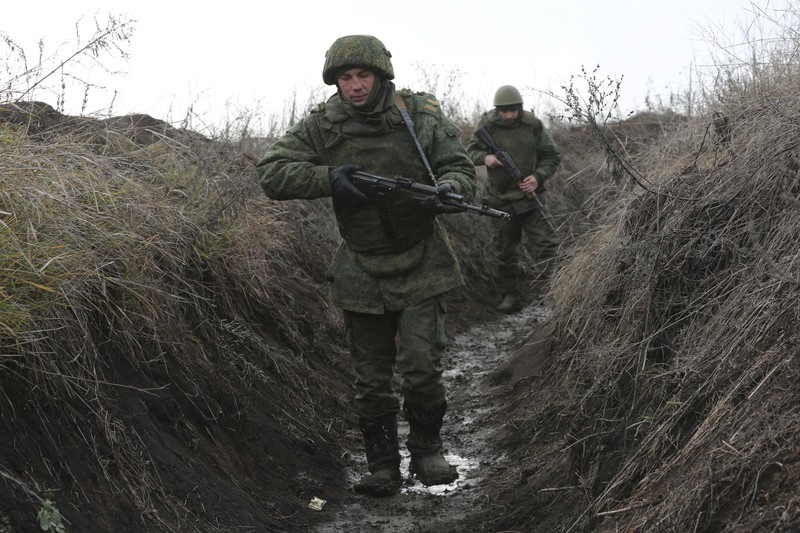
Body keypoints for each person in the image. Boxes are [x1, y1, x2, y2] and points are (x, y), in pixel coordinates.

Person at [256, 35, 476, 497]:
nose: (354, 86)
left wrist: (451, 189)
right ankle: (382, 466)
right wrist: (328, 178)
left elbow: (459, 166)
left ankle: (427, 451)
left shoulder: (420, 114)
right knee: (371, 377)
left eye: (363, 75)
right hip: (361, 265)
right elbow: (272, 171)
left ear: (381, 76)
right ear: (334, 82)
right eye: (344, 77)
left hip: (423, 260)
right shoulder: (323, 124)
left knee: (421, 365)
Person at [467, 85, 562, 313]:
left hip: (531, 198)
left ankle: (559, 294)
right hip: (501, 200)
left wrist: (537, 178)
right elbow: (469, 152)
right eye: (504, 111)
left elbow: (552, 155)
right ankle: (511, 296)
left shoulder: (533, 125)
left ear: (520, 109)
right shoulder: (486, 126)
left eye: (513, 110)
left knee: (546, 245)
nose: (509, 115)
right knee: (506, 251)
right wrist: (485, 157)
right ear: (497, 110)